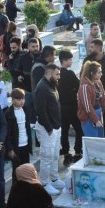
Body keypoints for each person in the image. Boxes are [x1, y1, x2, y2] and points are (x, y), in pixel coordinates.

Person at [35, 64, 66, 196]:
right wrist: (49, 128)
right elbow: (40, 110)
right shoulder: (42, 87)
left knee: (55, 155)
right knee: (47, 156)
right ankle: (45, 183)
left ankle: (54, 179)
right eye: (57, 74)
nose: (59, 77)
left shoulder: (51, 84)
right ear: (49, 73)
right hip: (47, 129)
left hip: (56, 127)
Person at [78, 60, 105, 141]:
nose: (101, 74)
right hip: (88, 118)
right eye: (99, 72)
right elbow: (88, 107)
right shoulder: (84, 86)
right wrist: (96, 120)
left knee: (100, 140)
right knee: (93, 142)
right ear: (92, 73)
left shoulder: (98, 82)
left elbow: (104, 97)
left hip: (99, 114)